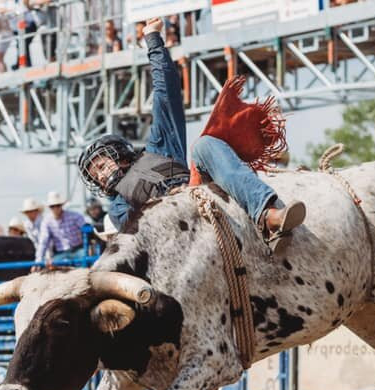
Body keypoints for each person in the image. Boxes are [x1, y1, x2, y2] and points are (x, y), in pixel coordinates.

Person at [78, 18, 305, 249]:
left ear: (120, 155)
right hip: (174, 233)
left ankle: (268, 216)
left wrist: (153, 39)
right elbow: (138, 229)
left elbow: (166, 93)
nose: (101, 174)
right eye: (95, 174)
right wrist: (168, 201)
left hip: (198, 191)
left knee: (204, 145)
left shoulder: (158, 148)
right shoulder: (117, 207)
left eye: (101, 165)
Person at [34, 191, 86, 267]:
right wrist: (38, 261)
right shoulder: (47, 221)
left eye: (57, 205)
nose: (55, 208)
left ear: (61, 205)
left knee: (86, 260)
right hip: (61, 253)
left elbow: (87, 230)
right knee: (52, 268)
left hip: (78, 250)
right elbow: (43, 241)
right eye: (52, 206)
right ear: (49, 207)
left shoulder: (75, 216)